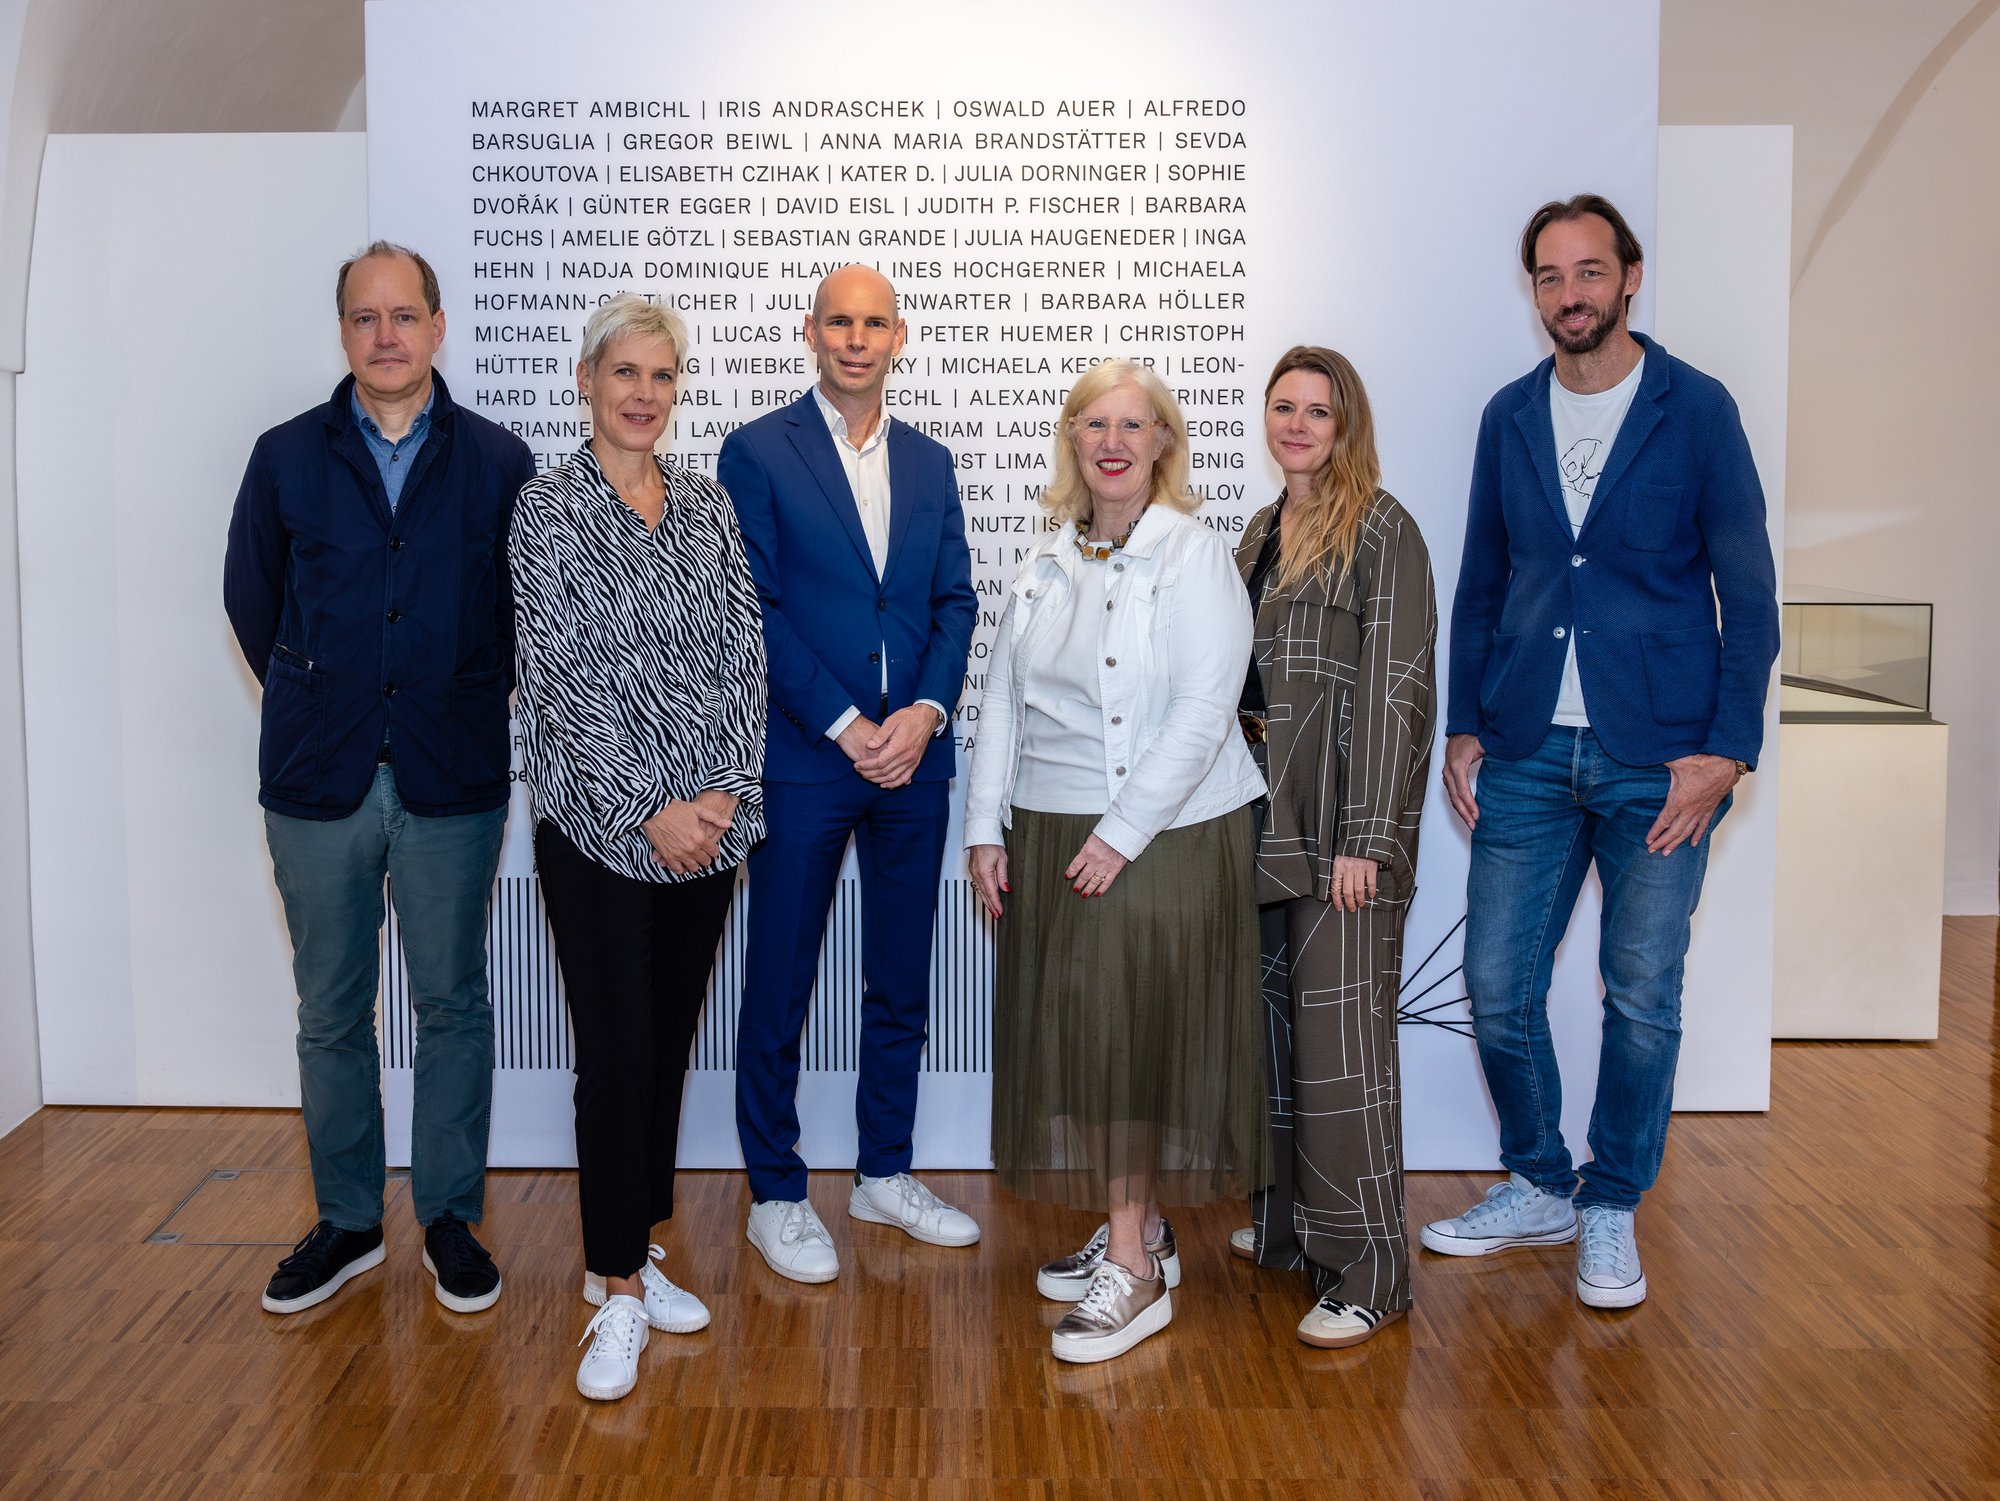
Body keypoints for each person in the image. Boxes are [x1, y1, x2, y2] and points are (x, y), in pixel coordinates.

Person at [1422, 194, 1779, 1309]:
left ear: (1628, 277)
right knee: (1492, 982)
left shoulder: (1696, 408)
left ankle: (1609, 1202)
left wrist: (1724, 750)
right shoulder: (1509, 415)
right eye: (1547, 276)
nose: (1567, 295)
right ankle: (1535, 1178)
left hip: (1657, 759)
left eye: (1587, 272)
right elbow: (1483, 578)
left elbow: (1749, 593)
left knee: (1640, 991)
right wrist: (1464, 721)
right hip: (1526, 747)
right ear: (1530, 291)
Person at [223, 242, 534, 1316]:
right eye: (366, 318)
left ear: (439, 328)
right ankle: (349, 1221)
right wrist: (325, 690)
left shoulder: (499, 461)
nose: (387, 335)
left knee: (453, 1002)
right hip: (319, 778)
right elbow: (252, 602)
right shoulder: (284, 457)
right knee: (330, 1011)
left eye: (406, 315)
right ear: (344, 332)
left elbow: (519, 617)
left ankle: (449, 1218)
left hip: (452, 775)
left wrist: (446, 687)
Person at [965, 359, 1266, 1364]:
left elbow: (1201, 709)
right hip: (1053, 829)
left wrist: (1119, 832)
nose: (1112, 440)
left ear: (1162, 444)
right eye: (1093, 422)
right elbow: (1001, 699)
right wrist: (982, 828)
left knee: (1124, 1041)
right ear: (1072, 440)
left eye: (1132, 424)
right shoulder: (1047, 554)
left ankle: (1133, 1265)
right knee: (1086, 1043)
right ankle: (1134, 1226)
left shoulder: (1193, 553)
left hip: (1160, 834)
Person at [511, 293, 767, 1400]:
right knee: (614, 1053)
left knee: (664, 1045)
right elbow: (557, 679)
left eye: (661, 377)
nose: (643, 395)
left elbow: (745, 657)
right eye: (624, 373)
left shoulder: (707, 508)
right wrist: (646, 808)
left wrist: (713, 798)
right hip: (597, 832)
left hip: (706, 836)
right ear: (585, 380)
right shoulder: (544, 510)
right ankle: (613, 1288)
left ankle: (633, 1244)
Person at [717, 264, 979, 1282]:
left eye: (874, 322)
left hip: (913, 758)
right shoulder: (756, 452)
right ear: (811, 332)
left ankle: (882, 1171)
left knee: (901, 977)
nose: (856, 339)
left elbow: (953, 602)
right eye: (839, 321)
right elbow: (757, 607)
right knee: (779, 978)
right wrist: (841, 721)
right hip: (806, 757)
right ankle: (775, 1193)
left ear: (898, 336)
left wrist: (920, 712)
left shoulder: (929, 460)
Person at [1231, 346, 1436, 1347]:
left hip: (1340, 835)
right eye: (1283, 407)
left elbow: (1397, 691)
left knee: (1341, 1056)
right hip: (1264, 828)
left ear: (1345, 422)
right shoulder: (1260, 532)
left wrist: (1369, 838)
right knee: (1275, 1048)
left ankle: (1368, 1269)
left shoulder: (1383, 528)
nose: (1298, 424)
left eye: (1317, 409)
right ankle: (1287, 1231)